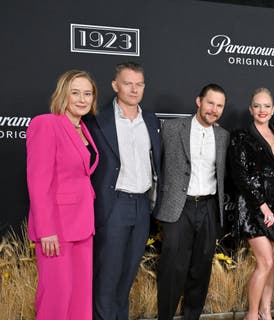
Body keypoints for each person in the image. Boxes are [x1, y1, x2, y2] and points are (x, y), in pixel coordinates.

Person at [85, 62, 162, 320]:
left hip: (142, 206)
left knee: (127, 275)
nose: (133, 89)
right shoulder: (96, 120)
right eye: (128, 83)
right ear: (115, 85)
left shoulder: (151, 120)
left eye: (139, 84)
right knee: (107, 277)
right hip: (113, 204)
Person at [26, 70, 99, 319]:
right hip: (56, 228)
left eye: (87, 93)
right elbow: (38, 181)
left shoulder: (83, 129)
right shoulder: (46, 123)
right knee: (56, 297)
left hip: (83, 226)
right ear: (63, 95)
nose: (82, 99)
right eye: (75, 93)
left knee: (80, 297)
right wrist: (46, 229)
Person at [154, 84, 230, 319]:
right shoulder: (172, 127)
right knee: (172, 269)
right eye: (210, 103)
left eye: (219, 106)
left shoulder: (223, 135)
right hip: (178, 207)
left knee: (201, 269)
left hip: (208, 208)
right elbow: (158, 164)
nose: (214, 110)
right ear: (198, 101)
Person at [228, 88, 274, 320]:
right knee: (264, 262)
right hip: (254, 209)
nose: (262, 110)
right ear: (250, 109)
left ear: (273, 109)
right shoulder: (241, 136)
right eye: (257, 106)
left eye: (266, 106)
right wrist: (263, 206)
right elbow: (241, 176)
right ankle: (252, 315)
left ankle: (266, 311)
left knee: (271, 263)